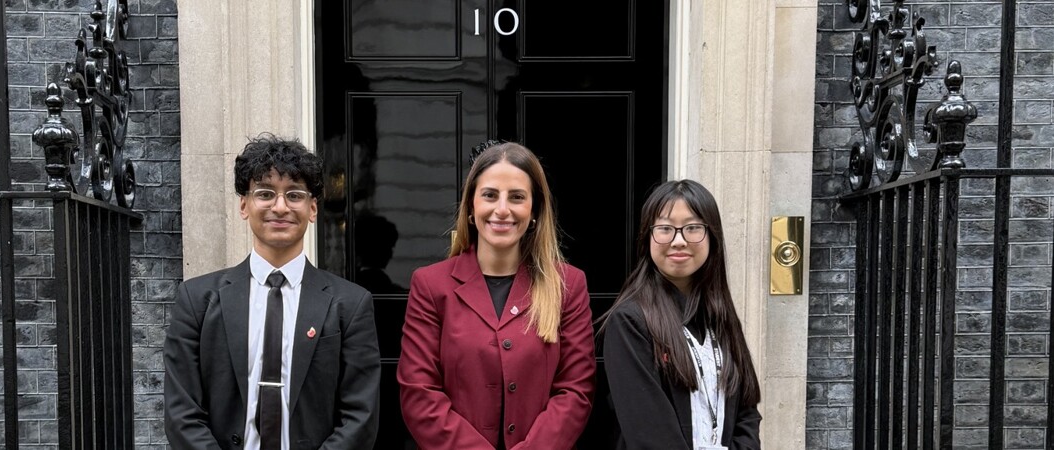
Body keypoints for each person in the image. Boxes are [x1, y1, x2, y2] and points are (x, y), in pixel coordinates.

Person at [164, 133, 380, 450]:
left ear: (313, 208)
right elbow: (181, 413)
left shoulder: (351, 303)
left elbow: (361, 415)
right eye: (265, 194)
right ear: (244, 205)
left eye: (294, 195)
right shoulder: (196, 299)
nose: (280, 207)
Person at [397, 141, 595, 449]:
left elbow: (575, 390)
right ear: (472, 208)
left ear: (533, 212)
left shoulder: (568, 284)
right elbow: (419, 393)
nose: (502, 209)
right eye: (490, 195)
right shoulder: (430, 285)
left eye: (516, 197)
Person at [598, 179, 761, 449]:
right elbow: (648, 433)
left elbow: (746, 411)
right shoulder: (630, 322)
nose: (679, 241)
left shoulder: (721, 318)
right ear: (647, 237)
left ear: (712, 236)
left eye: (693, 228)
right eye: (665, 229)